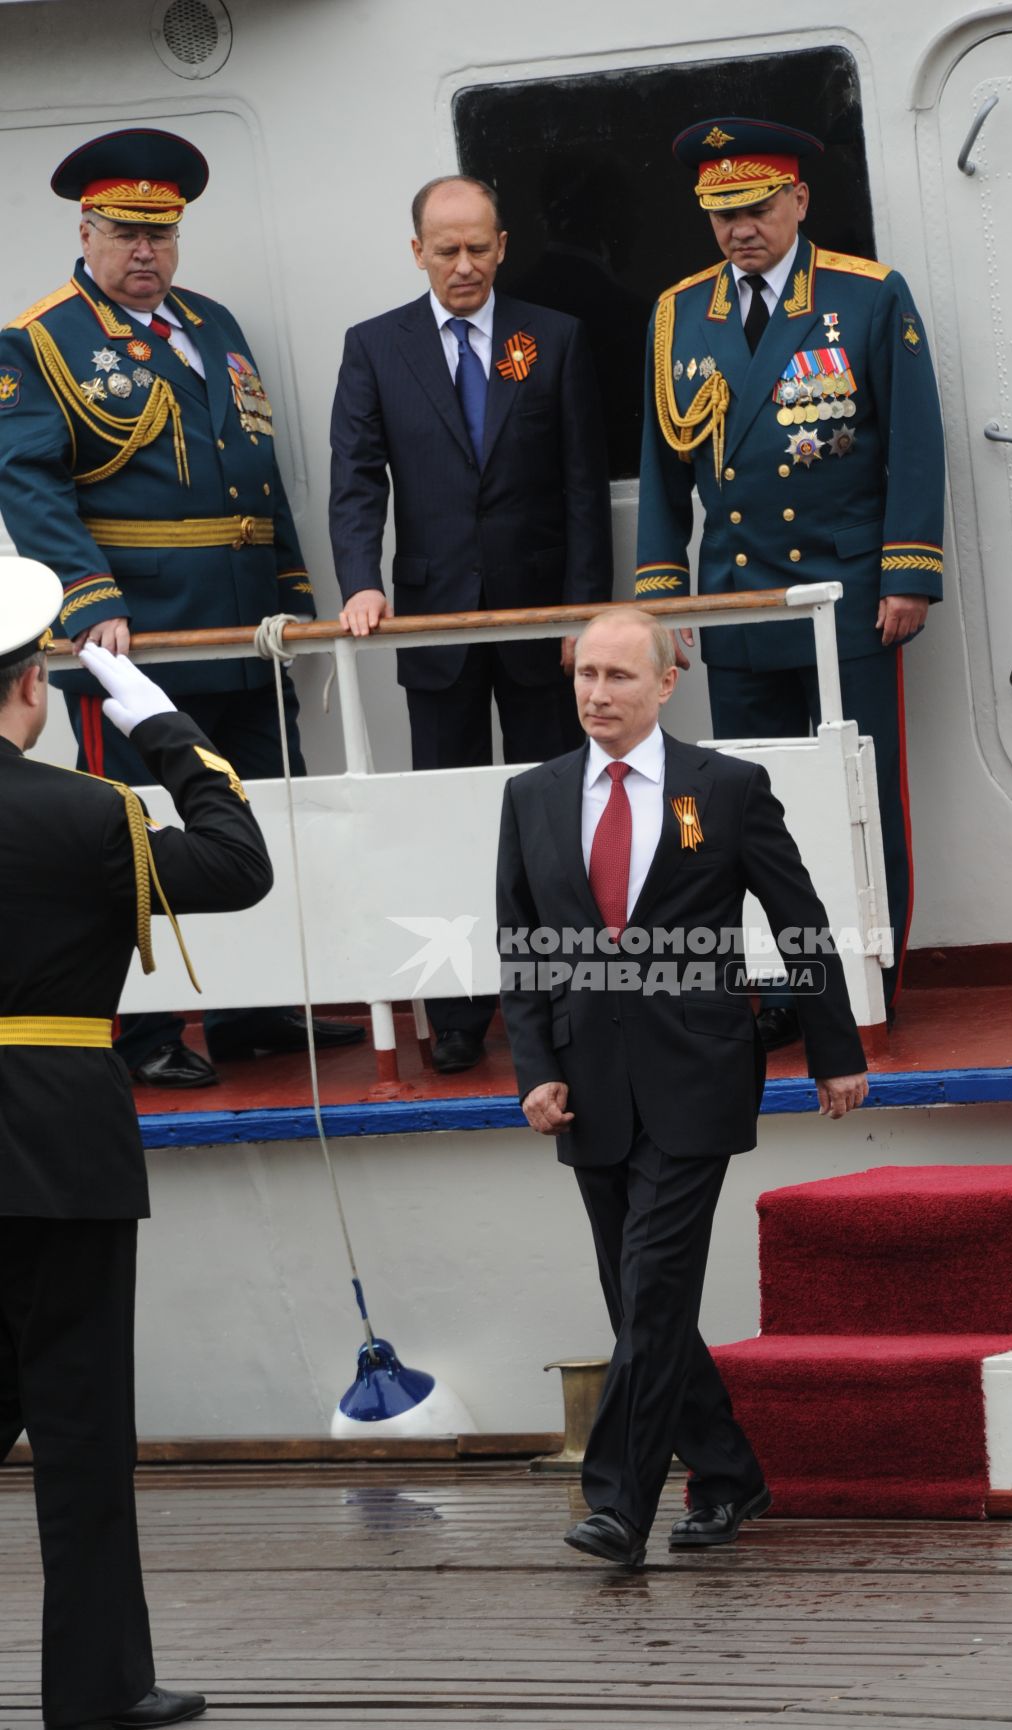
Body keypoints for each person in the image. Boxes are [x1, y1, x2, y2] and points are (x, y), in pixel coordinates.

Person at [496, 608, 868, 1568]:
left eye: (618, 677)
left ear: (665, 684)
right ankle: (729, 1475)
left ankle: (618, 1502)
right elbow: (524, 949)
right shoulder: (532, 796)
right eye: (584, 675)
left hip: (696, 1075)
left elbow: (799, 921)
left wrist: (835, 1048)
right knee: (639, 1307)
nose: (596, 695)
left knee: (653, 1287)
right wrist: (534, 1070)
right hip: (586, 1085)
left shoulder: (728, 789)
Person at [0, 126, 362, 1087]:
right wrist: (89, 599)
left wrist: (293, 594)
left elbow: (258, 474)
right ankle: (150, 1032)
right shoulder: (38, 341)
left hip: (246, 625)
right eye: (124, 233)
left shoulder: (214, 325)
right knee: (141, 824)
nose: (145, 252)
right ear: (86, 231)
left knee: (253, 807)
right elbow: (28, 482)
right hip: (138, 631)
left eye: (160, 233)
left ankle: (250, 1014)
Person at [0, 555, 273, 1730]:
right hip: (58, 1144)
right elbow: (237, 860)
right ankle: (95, 1684)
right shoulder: (84, 817)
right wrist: (162, 723)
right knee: (78, 1427)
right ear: (26, 692)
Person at [634, 118, 945, 1036]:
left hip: (847, 598)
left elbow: (914, 446)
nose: (740, 230)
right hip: (736, 602)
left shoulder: (867, 296)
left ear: (798, 201)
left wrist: (908, 571)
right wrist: (661, 596)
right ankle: (780, 987)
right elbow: (660, 469)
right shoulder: (679, 313)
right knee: (748, 809)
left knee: (859, 796)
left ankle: (866, 978)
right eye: (721, 214)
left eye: (757, 208)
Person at [329, 174, 614, 1073]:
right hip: (432, 626)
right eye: (444, 249)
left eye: (478, 248)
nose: (463, 265)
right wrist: (360, 584)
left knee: (551, 825)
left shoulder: (553, 338)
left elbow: (581, 490)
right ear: (416, 251)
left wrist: (583, 612)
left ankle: (565, 1002)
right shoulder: (375, 347)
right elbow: (355, 479)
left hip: (540, 626)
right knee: (442, 822)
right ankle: (455, 1015)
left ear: (501, 247)